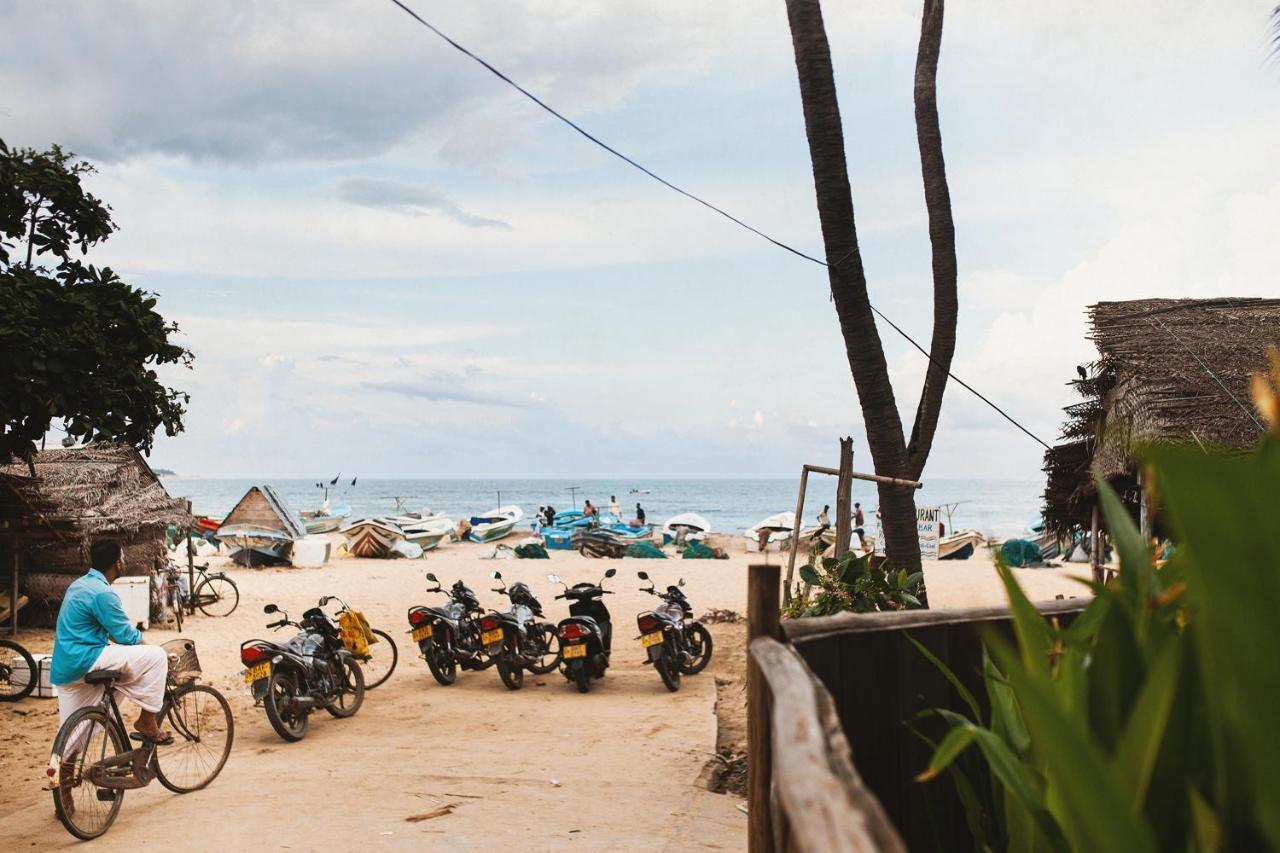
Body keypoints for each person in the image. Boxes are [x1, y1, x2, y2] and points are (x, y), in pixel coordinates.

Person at [52, 540, 171, 811]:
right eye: (123, 557)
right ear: (118, 562)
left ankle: (64, 799)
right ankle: (147, 721)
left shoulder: (79, 585)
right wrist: (154, 649)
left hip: (65, 668)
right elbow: (125, 636)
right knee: (156, 658)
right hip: (87, 660)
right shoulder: (103, 594)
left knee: (72, 734)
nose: (125, 560)